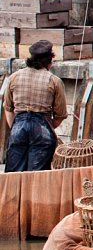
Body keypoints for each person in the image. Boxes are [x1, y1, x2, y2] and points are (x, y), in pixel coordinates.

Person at [2, 40, 67, 171]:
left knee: (14, 174)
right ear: (50, 61)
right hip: (41, 127)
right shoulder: (54, 81)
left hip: (18, 126)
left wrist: (16, 126)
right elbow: (60, 115)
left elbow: (8, 108)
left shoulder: (14, 77)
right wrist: (47, 126)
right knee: (37, 177)